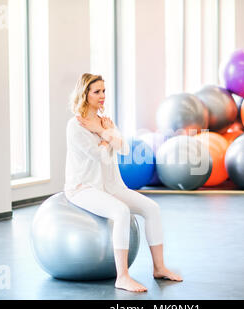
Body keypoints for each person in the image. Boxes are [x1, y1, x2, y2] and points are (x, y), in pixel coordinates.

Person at [64, 73, 182, 292]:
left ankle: (159, 267)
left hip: (111, 185)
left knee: (152, 208)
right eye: (96, 91)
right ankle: (123, 276)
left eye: (104, 91)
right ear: (85, 93)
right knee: (121, 212)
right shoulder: (76, 125)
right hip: (83, 187)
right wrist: (107, 136)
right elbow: (100, 155)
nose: (102, 96)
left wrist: (103, 132)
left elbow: (124, 149)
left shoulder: (105, 121)